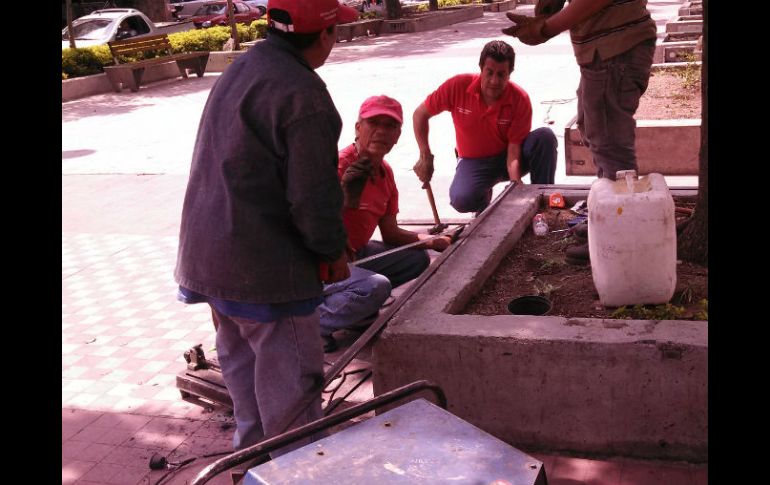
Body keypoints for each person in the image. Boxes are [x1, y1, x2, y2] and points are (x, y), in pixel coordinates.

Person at [174, 0, 358, 458]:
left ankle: (251, 467)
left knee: (249, 402)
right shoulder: (305, 95)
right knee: (293, 413)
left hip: (210, 262)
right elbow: (313, 199)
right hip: (265, 275)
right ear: (324, 36)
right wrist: (333, 251)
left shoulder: (242, 68)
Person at [502, 0, 656, 263]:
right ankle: (609, 221)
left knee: (611, 146)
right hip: (605, 52)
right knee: (598, 137)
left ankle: (618, 243)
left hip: (616, 49)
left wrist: (546, 28)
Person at [319, 95, 455, 352]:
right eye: (374, 123)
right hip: (321, 261)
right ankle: (312, 322)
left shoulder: (386, 173)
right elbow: (311, 225)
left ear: (397, 135)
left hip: (356, 253)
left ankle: (350, 307)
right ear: (358, 128)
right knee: (376, 286)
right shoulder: (335, 166)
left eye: (390, 126)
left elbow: (390, 233)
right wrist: (343, 198)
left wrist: (432, 241)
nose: (381, 131)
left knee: (417, 259)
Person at [412, 40, 558, 216]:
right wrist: (424, 154)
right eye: (489, 72)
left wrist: (515, 183)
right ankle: (483, 200)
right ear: (481, 68)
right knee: (461, 199)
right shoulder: (457, 86)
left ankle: (541, 201)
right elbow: (420, 114)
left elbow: (514, 148)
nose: (494, 81)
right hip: (474, 161)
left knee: (544, 137)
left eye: (501, 74)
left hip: (511, 157)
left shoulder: (519, 99)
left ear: (510, 74)